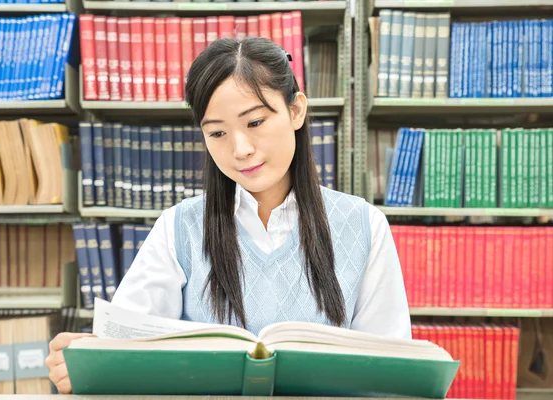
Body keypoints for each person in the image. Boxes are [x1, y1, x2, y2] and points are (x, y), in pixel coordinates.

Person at [45, 36, 411, 394]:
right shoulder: (179, 228)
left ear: (296, 110)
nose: (240, 150)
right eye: (217, 132)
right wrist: (85, 362)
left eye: (254, 123)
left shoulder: (363, 225)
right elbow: (122, 350)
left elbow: (392, 375)